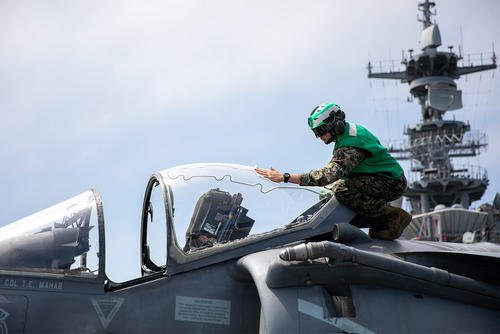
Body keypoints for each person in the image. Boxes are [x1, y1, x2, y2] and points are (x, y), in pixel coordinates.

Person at [255, 102, 412, 240]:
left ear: (335, 123)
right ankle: (379, 222)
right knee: (327, 195)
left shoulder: (351, 144)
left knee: (341, 189)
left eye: (321, 130)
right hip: (376, 179)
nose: (319, 136)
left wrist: (285, 177)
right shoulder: (347, 136)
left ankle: (391, 216)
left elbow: (327, 176)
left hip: (390, 182)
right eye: (316, 132)